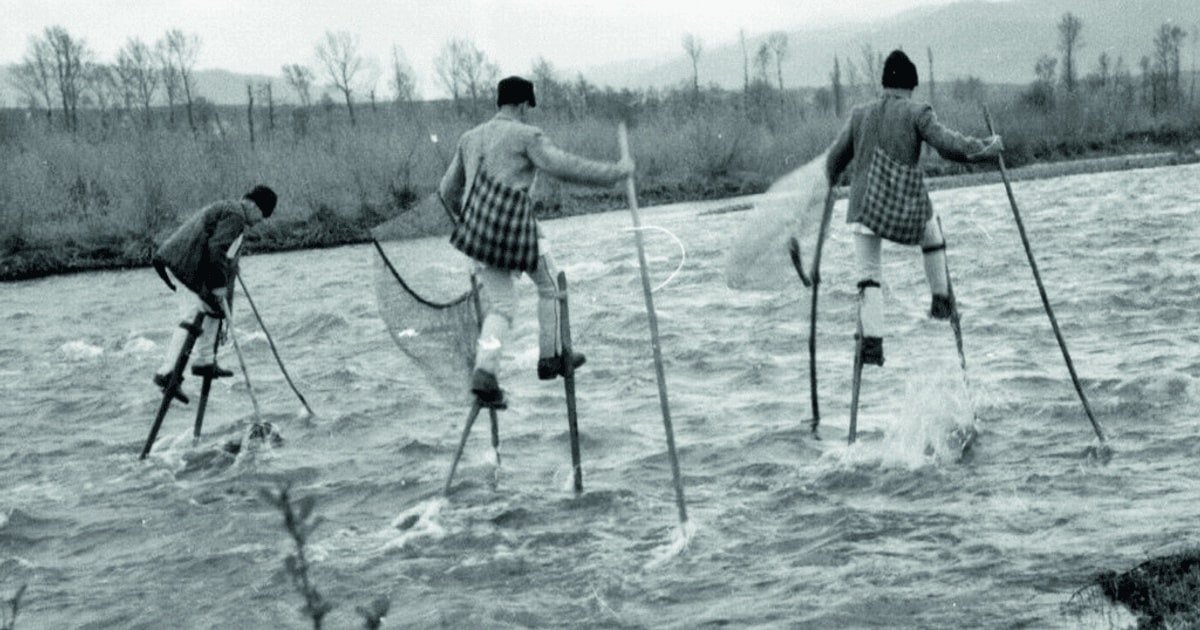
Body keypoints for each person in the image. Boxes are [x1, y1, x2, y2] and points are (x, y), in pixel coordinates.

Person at [439, 76, 634, 407]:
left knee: (500, 306)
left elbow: (446, 191)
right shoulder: (526, 135)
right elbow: (563, 167)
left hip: (478, 235)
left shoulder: (468, 139)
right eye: (528, 106)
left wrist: (472, 223)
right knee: (552, 286)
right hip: (515, 231)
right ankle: (551, 358)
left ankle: (485, 374)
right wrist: (616, 172)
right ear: (522, 105)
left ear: (500, 102)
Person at [825, 49, 1003, 367]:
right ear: (910, 86)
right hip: (901, 209)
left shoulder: (859, 114)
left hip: (864, 209)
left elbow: (833, 163)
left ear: (884, 85)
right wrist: (987, 148)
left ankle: (871, 344)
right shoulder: (917, 111)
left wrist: (826, 184)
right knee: (932, 230)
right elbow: (949, 145)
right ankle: (941, 299)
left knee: (868, 276)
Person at [151, 185, 277, 403]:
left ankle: (204, 361)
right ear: (253, 205)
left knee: (211, 311)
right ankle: (166, 374)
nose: (260, 221)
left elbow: (222, 253)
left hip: (190, 266)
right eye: (262, 215)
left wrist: (228, 273)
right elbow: (216, 249)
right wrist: (219, 284)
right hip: (184, 264)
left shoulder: (233, 213)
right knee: (191, 317)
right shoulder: (235, 216)